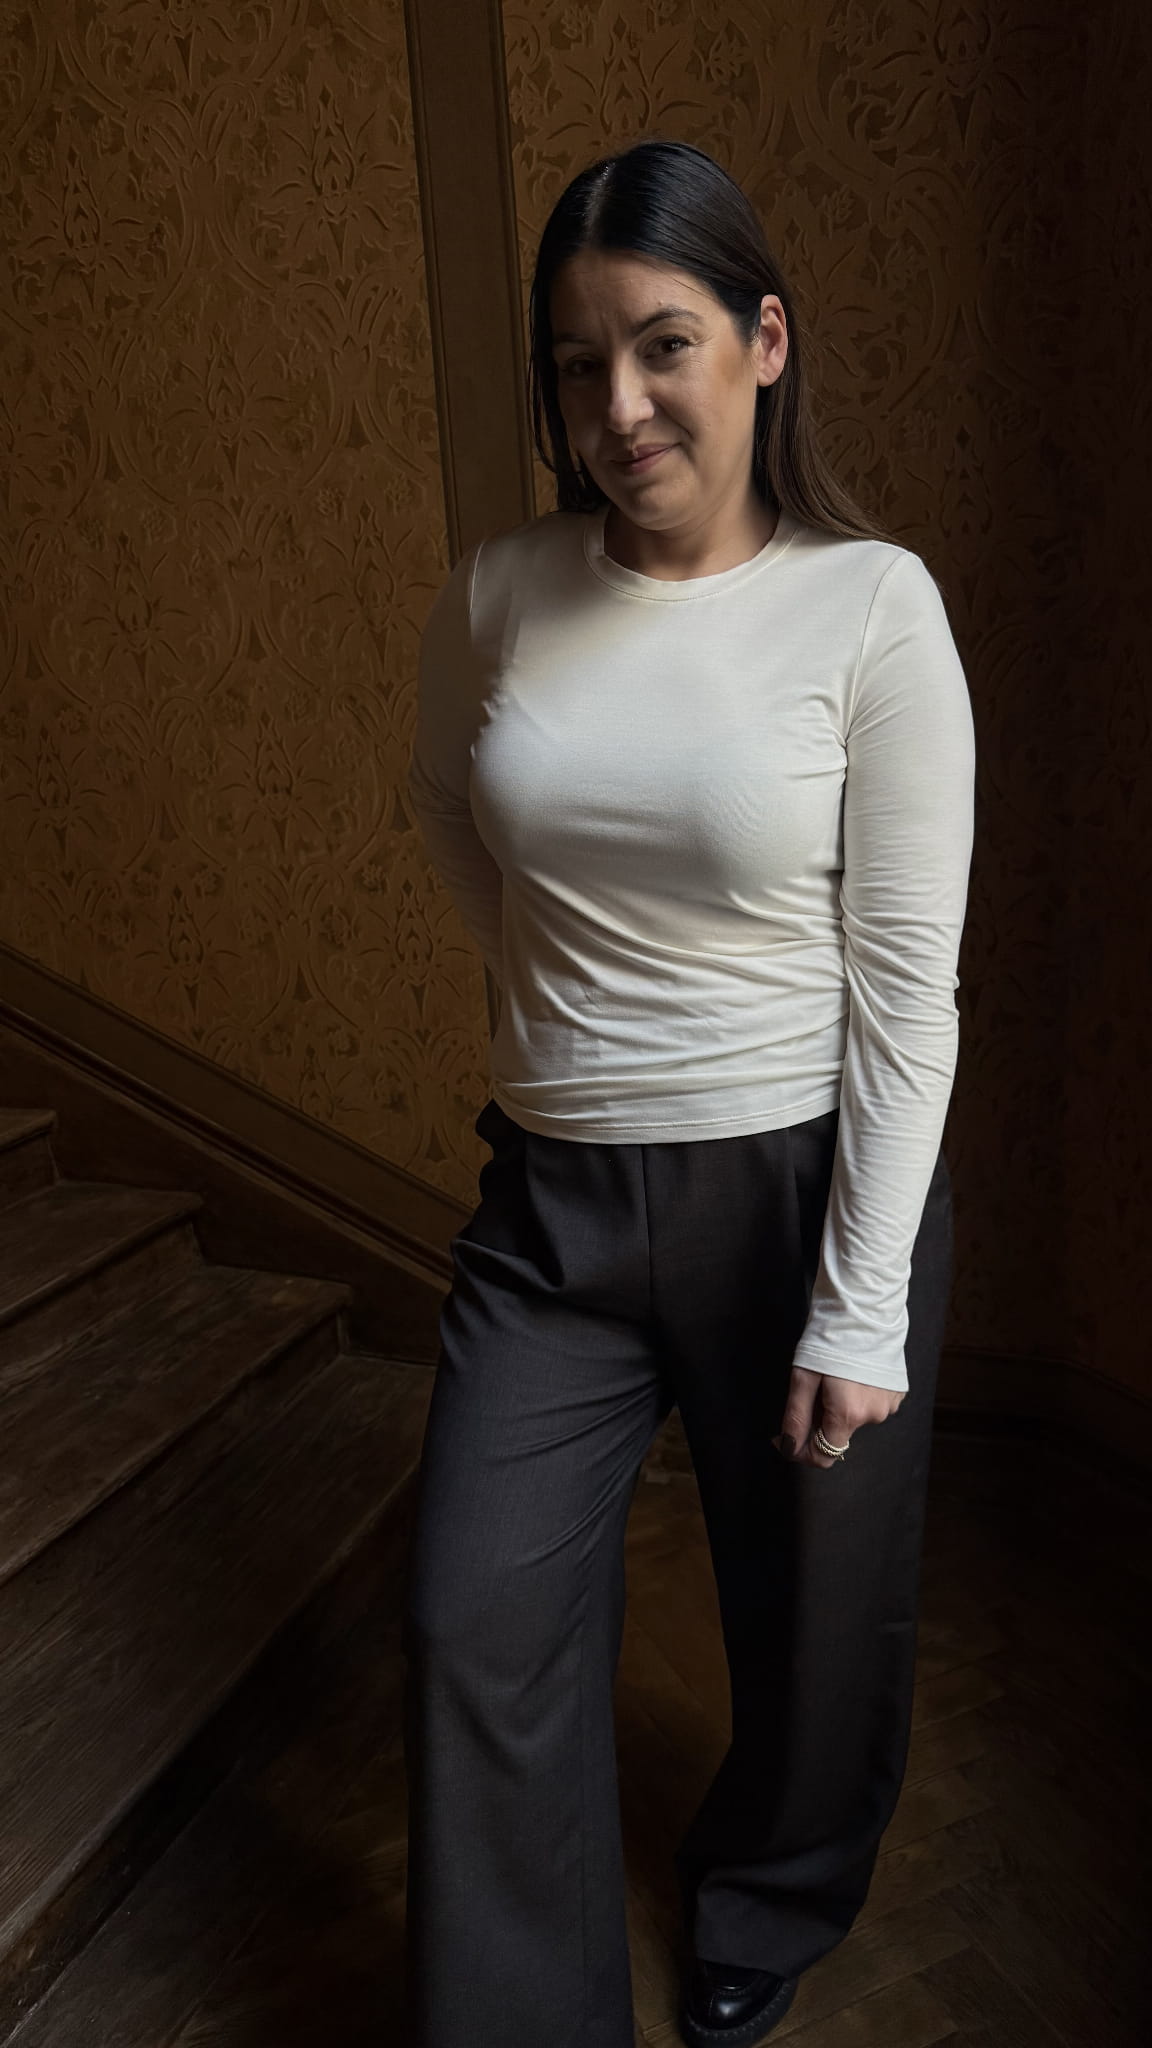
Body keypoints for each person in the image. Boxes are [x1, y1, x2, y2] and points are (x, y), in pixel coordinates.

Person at [401, 137, 975, 2048]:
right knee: (471, 1611)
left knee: (813, 1615)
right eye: (580, 365)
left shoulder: (873, 606)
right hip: (554, 1207)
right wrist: (564, 996)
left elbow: (908, 991)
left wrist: (862, 1298)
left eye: (663, 345)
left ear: (764, 342)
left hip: (802, 1188)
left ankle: (772, 1892)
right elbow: (453, 811)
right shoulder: (501, 590)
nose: (621, 407)